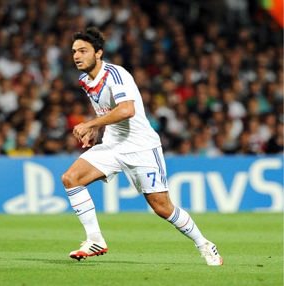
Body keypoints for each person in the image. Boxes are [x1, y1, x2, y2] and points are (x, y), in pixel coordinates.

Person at [61, 27, 223, 266]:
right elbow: (108, 110)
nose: (76, 55)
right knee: (70, 178)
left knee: (162, 207)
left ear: (99, 53)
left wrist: (91, 124)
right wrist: (96, 129)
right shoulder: (85, 80)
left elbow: (127, 110)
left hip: (141, 148)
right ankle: (95, 239)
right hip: (113, 146)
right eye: (74, 51)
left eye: (83, 50)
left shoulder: (116, 75)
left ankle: (204, 244)